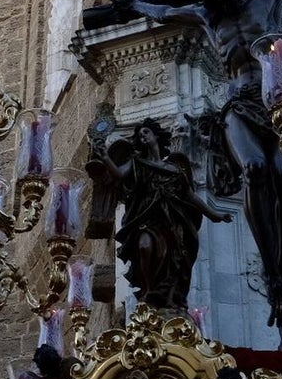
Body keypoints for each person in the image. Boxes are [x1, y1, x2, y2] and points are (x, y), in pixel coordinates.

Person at [113, 0, 282, 349]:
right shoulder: (209, 18)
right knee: (256, 170)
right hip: (239, 106)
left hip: (280, 105)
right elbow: (167, 13)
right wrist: (134, 5)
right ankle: (273, 274)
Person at [92, 118, 232, 311]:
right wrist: (105, 158)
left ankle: (167, 296)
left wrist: (214, 213)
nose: (143, 137)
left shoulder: (174, 169)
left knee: (174, 261)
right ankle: (149, 292)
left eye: (146, 133)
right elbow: (118, 174)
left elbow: (190, 196)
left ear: (156, 135)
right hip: (146, 218)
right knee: (144, 246)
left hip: (172, 221)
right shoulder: (137, 163)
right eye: (140, 135)